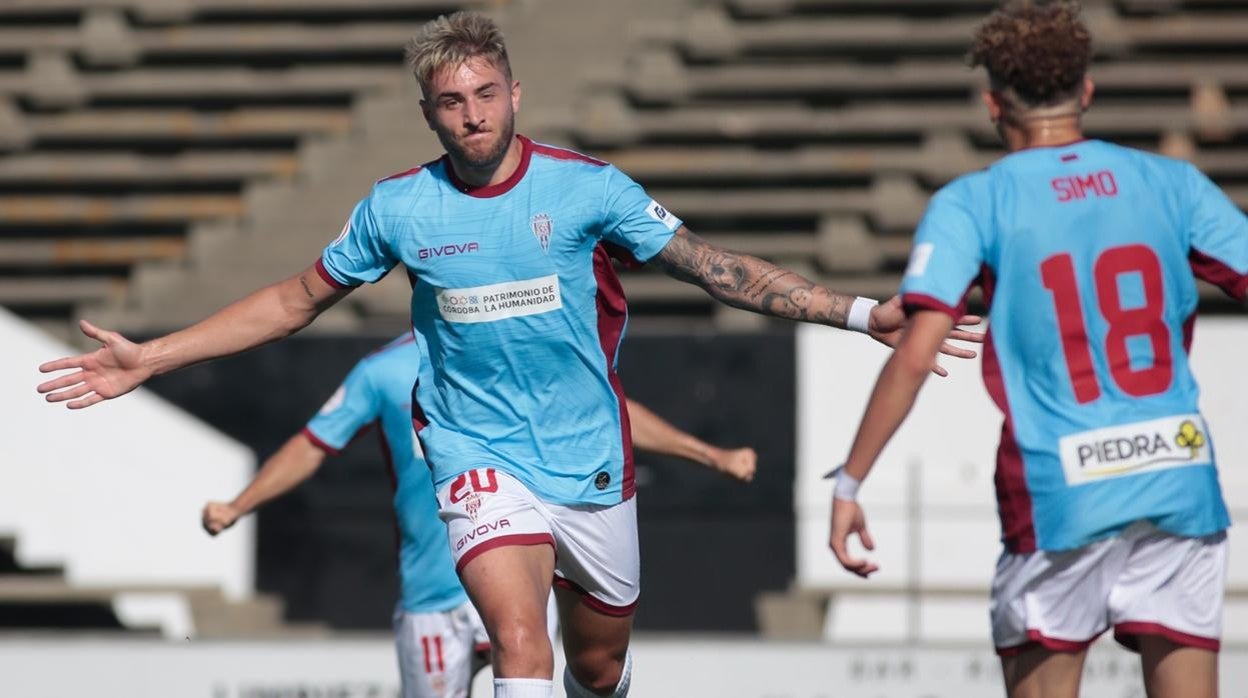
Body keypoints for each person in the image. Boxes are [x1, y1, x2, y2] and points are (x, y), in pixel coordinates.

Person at [37, 11, 982, 697]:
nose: (472, 114)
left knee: (599, 665)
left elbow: (714, 267)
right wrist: (153, 357)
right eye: (450, 102)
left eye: (487, 94)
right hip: (476, 452)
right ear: (428, 114)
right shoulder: (399, 208)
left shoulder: (587, 191)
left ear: (515, 94)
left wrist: (862, 313)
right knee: (520, 648)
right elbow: (293, 300)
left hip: (590, 458)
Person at [826, 3, 1247, 698]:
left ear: (993, 104)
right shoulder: (1172, 183)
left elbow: (915, 352)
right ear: (1085, 91)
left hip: (1059, 489)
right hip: (1177, 473)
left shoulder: (974, 202)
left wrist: (850, 482)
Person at [200, 331, 758, 698]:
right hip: (431, 596)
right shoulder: (383, 372)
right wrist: (238, 504)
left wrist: (710, 454)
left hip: (519, 568)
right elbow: (313, 443)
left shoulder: (513, 350)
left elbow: (607, 408)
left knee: (535, 655)